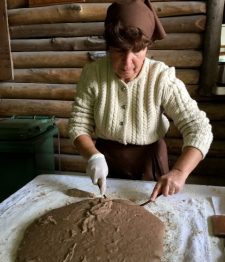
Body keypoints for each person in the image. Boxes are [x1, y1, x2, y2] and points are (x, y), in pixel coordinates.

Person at [68, 0, 213, 201]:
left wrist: (179, 172)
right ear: (109, 46)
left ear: (147, 47)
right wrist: (93, 156)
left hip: (149, 161)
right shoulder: (93, 74)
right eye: (119, 50)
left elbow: (199, 128)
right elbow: (78, 124)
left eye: (137, 51)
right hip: (106, 160)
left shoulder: (161, 78)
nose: (127, 63)